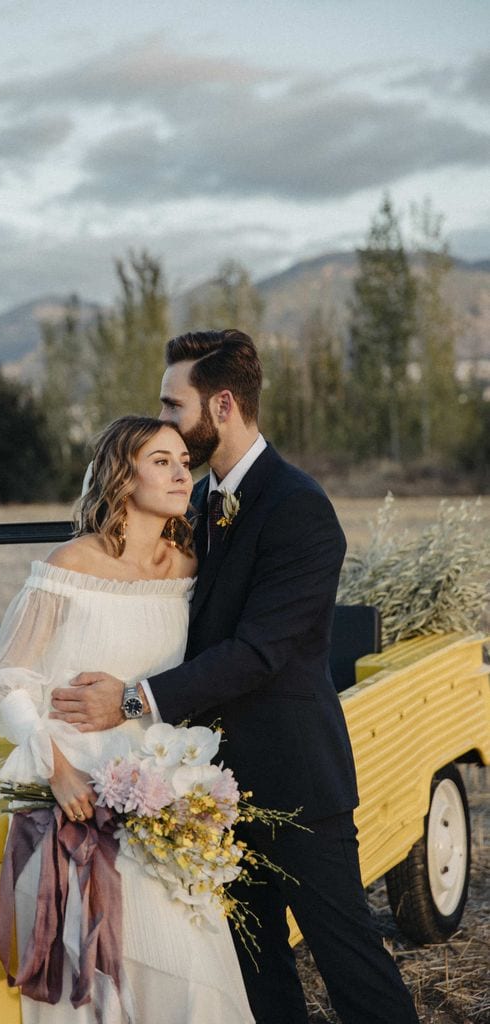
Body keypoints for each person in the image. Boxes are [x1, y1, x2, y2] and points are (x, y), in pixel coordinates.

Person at [50, 331, 419, 1024]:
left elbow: (258, 652)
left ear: (221, 405)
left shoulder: (297, 507)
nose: (163, 419)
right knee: (257, 972)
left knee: (353, 969)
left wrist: (130, 701)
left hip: (297, 785)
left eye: (172, 402)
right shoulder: (198, 505)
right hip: (210, 794)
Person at [0, 415, 254, 1024]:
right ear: (122, 477)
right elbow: (7, 685)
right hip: (73, 789)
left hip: (160, 787)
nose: (182, 473)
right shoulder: (69, 564)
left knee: (189, 966)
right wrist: (58, 771)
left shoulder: (186, 567)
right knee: (95, 969)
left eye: (183, 460)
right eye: (161, 461)